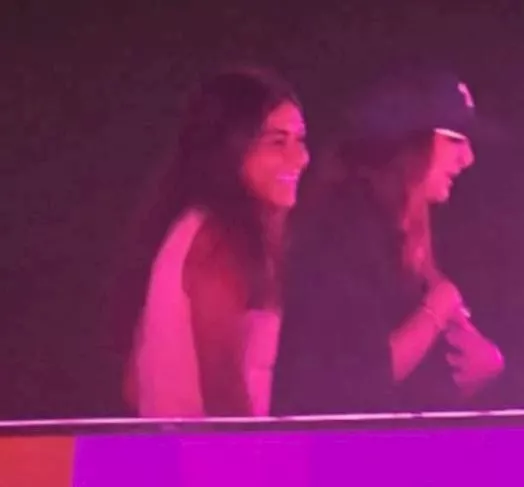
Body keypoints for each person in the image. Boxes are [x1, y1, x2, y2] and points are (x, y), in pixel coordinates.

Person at [272, 70, 503, 416]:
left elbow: (414, 389)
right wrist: (437, 308)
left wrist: (475, 368)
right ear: (408, 143)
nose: (468, 158)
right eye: (455, 140)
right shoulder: (343, 232)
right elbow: (356, 379)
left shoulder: (407, 230)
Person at [114, 67, 310, 417]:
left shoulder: (197, 228)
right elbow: (222, 390)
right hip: (207, 451)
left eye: (300, 140)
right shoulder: (217, 242)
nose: (300, 158)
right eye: (277, 142)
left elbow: (133, 383)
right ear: (231, 147)